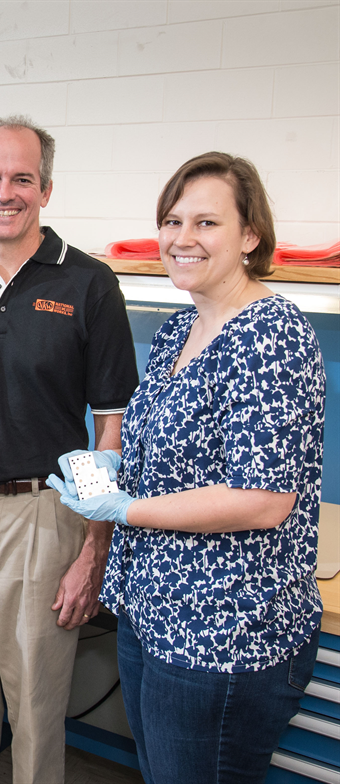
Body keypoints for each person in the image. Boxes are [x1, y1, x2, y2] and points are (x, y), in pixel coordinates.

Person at [49, 152, 326, 784]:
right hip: (154, 614)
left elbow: (262, 500)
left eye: (206, 223)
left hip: (223, 631)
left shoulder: (271, 336)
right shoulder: (182, 326)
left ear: (250, 236)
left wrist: (124, 509)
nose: (182, 239)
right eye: (172, 222)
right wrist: (112, 464)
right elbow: (168, 451)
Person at [0, 115, 140, 783]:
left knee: (36, 707)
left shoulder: (89, 285)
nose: (4, 192)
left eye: (22, 178)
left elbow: (110, 430)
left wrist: (93, 550)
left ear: (46, 190)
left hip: (45, 513)